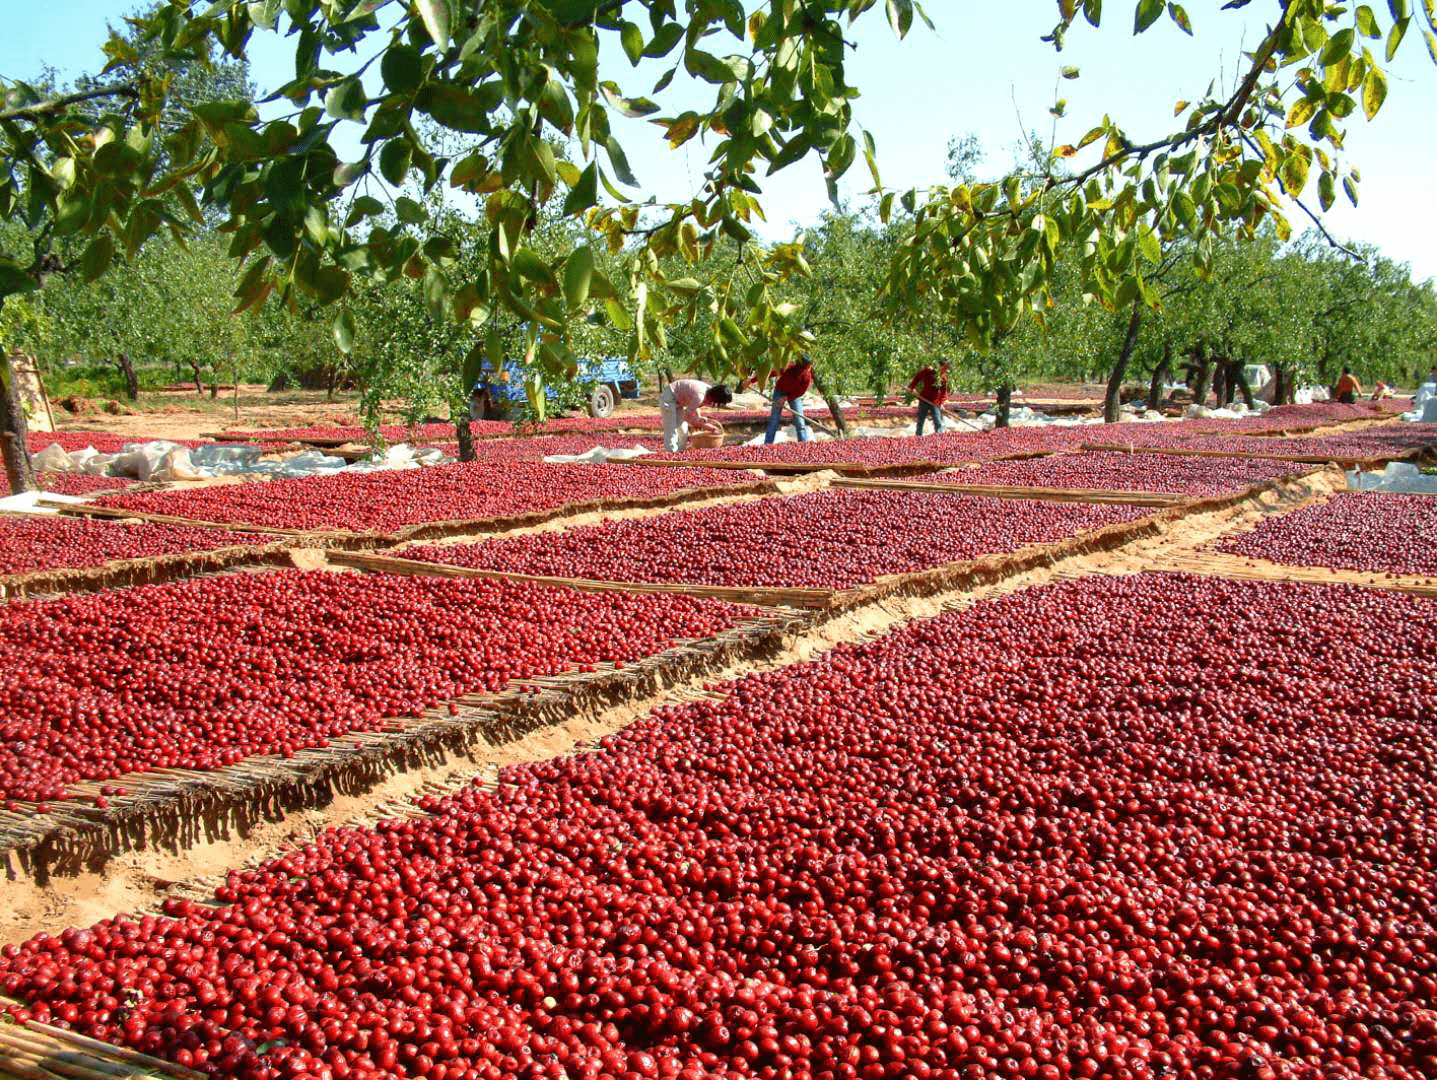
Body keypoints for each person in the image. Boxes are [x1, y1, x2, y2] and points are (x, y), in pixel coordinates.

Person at [659, 377, 732, 452]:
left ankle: (680, 451)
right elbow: (687, 417)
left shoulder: (708, 391)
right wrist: (707, 426)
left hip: (680, 401)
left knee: (683, 429)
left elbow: (694, 405)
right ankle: (671, 452)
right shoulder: (700, 395)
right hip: (670, 396)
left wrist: (699, 417)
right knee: (671, 427)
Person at [762, 355, 814, 445]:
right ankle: (768, 444)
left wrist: (786, 398)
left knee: (799, 419)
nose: (809, 369)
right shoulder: (789, 368)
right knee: (774, 418)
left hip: (794, 395)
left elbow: (800, 392)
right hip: (780, 391)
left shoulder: (807, 376)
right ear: (802, 366)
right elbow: (771, 373)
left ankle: (804, 443)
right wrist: (752, 381)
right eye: (808, 366)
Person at [908, 359, 950, 435]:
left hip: (935, 402)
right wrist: (912, 387)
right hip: (924, 399)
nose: (946, 369)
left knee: (938, 421)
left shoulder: (944, 377)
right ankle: (918, 436)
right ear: (940, 366)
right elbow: (917, 378)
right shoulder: (928, 372)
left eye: (946, 368)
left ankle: (939, 437)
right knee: (920, 421)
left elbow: (943, 391)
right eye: (944, 367)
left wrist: (941, 403)